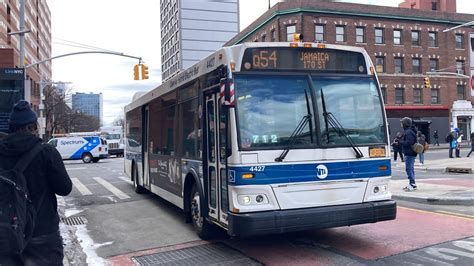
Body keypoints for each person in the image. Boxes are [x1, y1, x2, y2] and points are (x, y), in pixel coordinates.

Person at [0, 100, 72, 265]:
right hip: (43, 235)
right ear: (33, 127)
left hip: (7, 235)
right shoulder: (46, 152)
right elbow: (65, 188)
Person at [398, 117, 417, 191]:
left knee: (408, 169)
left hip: (409, 153)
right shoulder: (409, 131)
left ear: (404, 124)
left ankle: (412, 184)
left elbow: (409, 142)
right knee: (410, 169)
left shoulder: (408, 132)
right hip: (410, 152)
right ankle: (412, 184)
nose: (401, 124)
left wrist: (400, 142)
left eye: (402, 123)